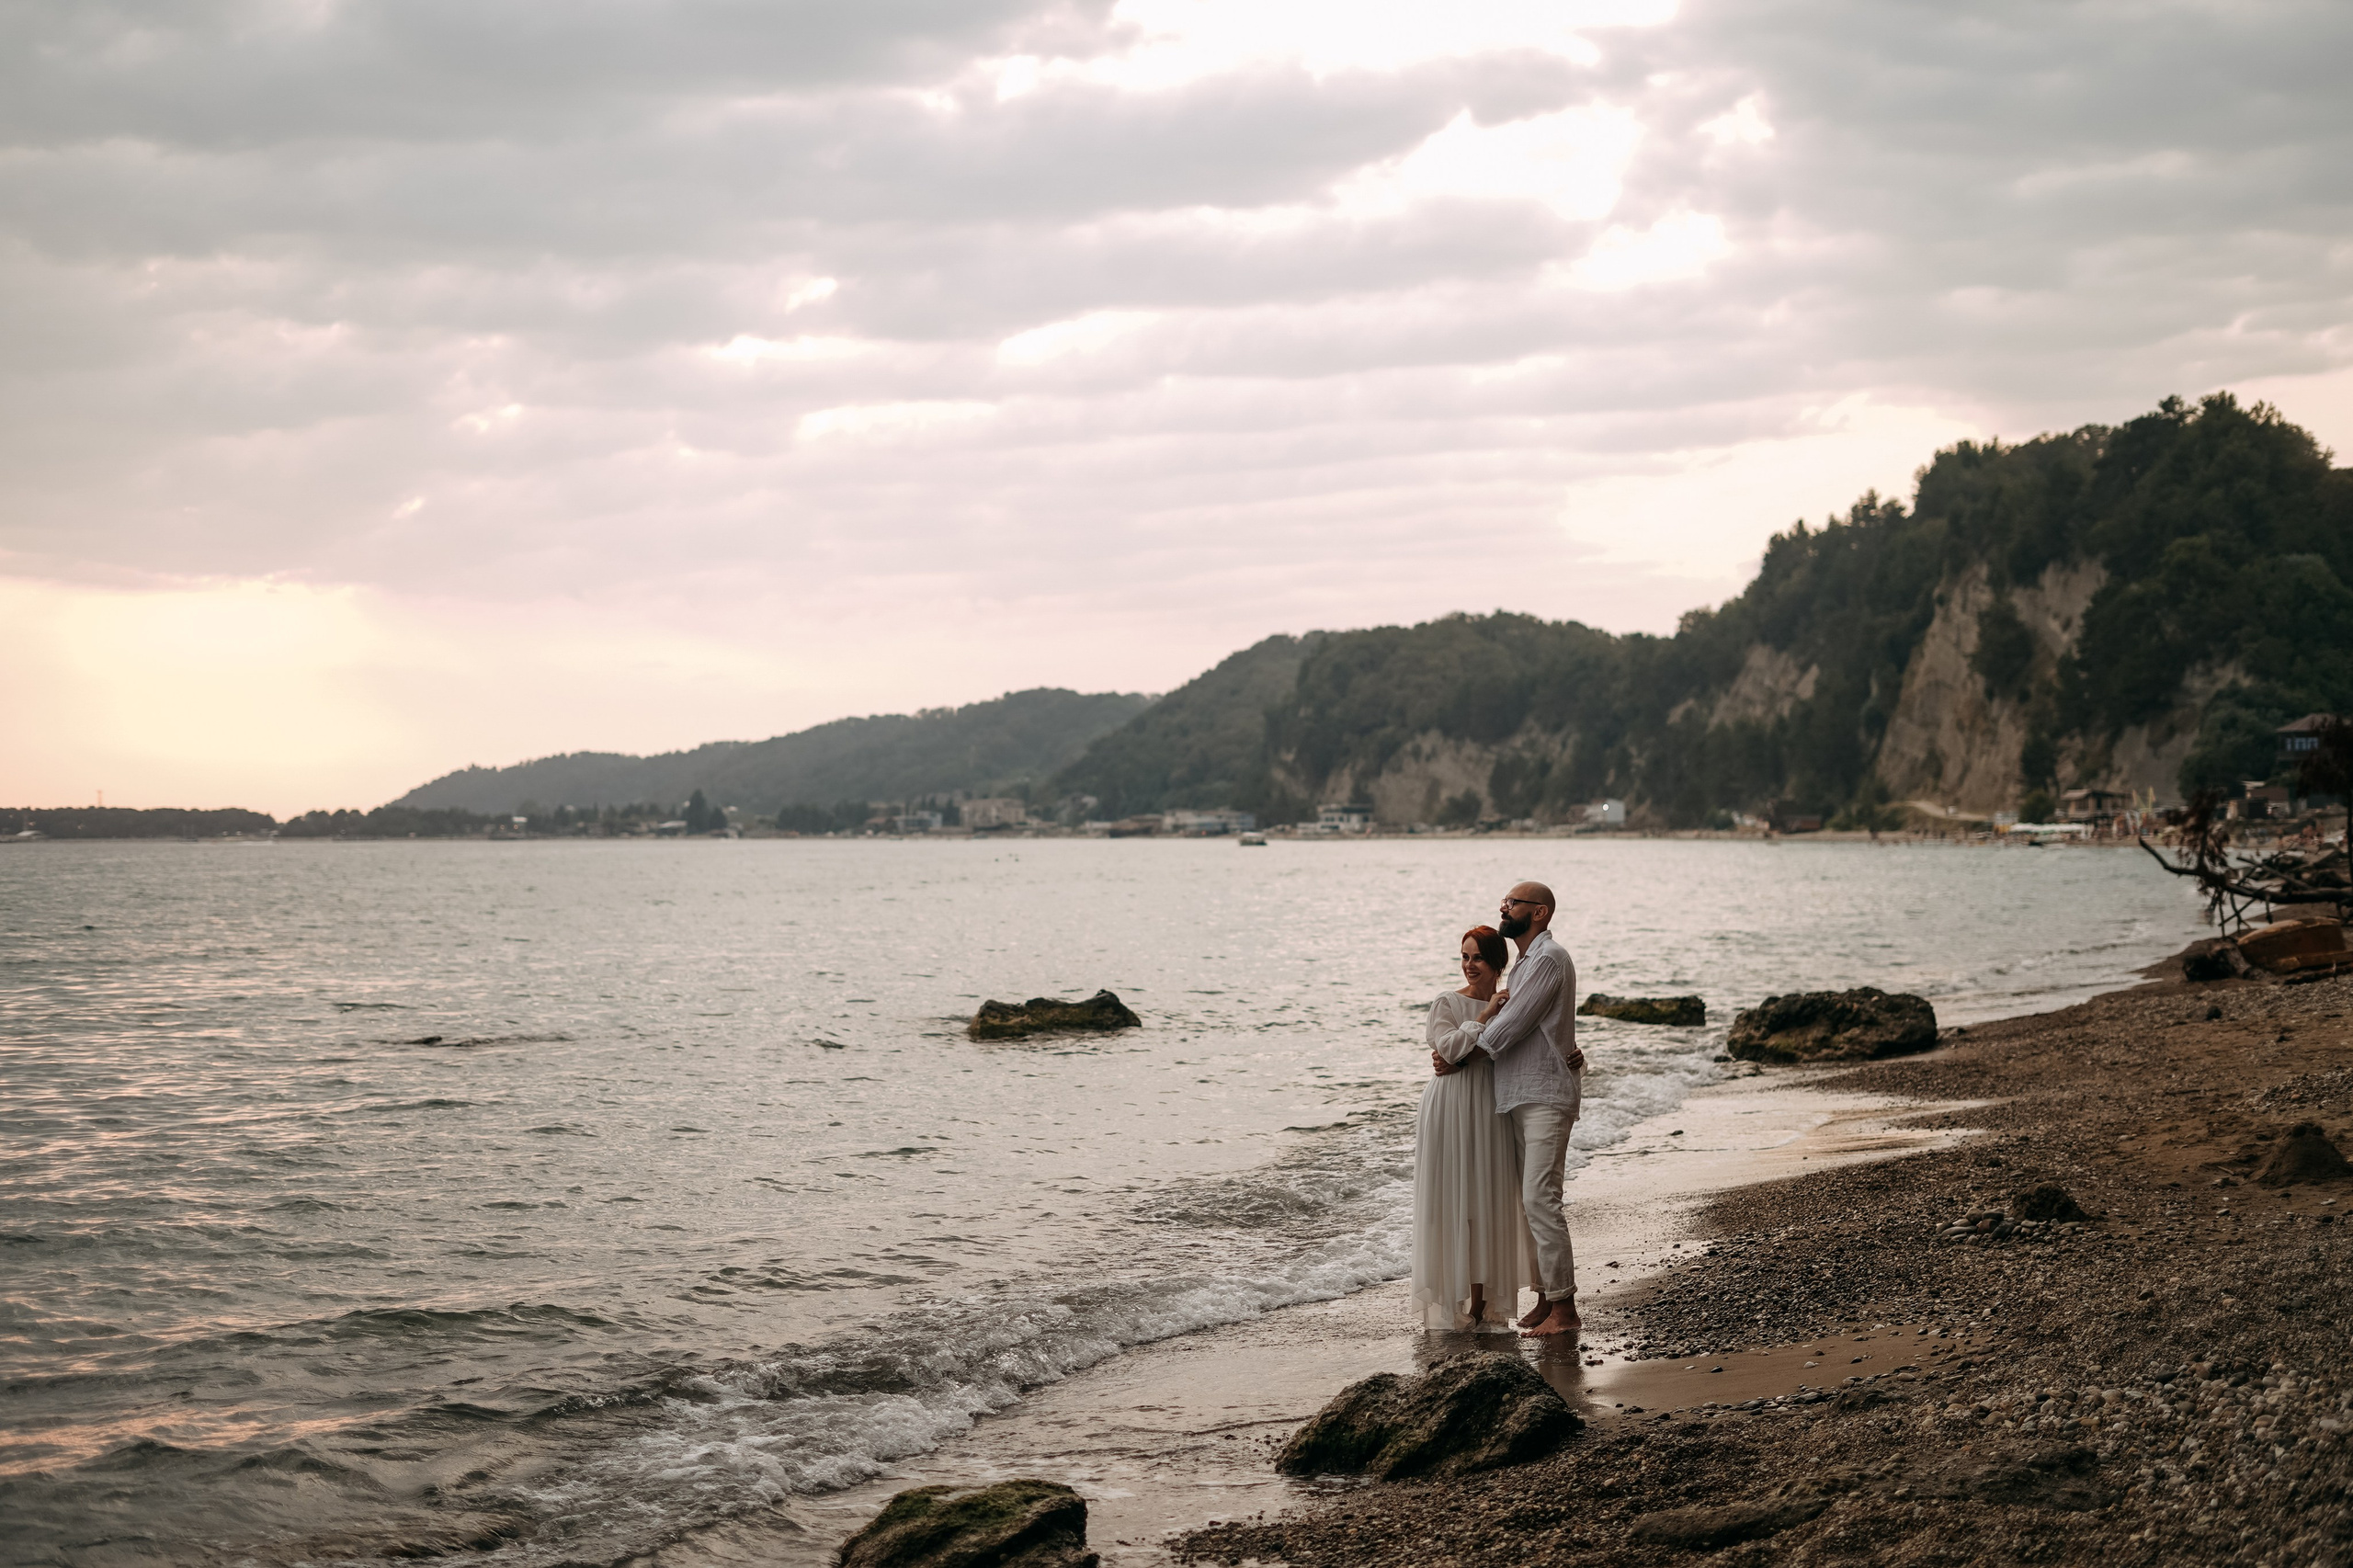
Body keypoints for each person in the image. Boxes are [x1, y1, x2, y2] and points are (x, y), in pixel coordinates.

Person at [1444, 881, 1584, 1337]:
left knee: (1540, 1200)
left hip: (1543, 1095)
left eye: (1513, 903)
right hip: (1519, 1094)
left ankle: (1565, 1310)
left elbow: (1512, 1027)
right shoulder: (1526, 963)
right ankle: (1546, 1298)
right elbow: (1529, 1025)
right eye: (1503, 902)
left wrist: (1458, 1055)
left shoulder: (1547, 959)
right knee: (1528, 1205)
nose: (1503, 907)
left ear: (1539, 912)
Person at [1413, 926, 1537, 1329]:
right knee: (1453, 1201)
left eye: (1477, 958)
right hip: (1449, 1107)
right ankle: (1452, 1302)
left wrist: (1573, 1056)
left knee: (1487, 1201)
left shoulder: (1515, 1004)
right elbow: (1447, 1049)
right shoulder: (1447, 1002)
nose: (1469, 966)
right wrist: (1484, 1016)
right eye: (1464, 957)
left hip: (1492, 1105)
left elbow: (1531, 1046)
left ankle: (1483, 1305)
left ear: (1498, 963)